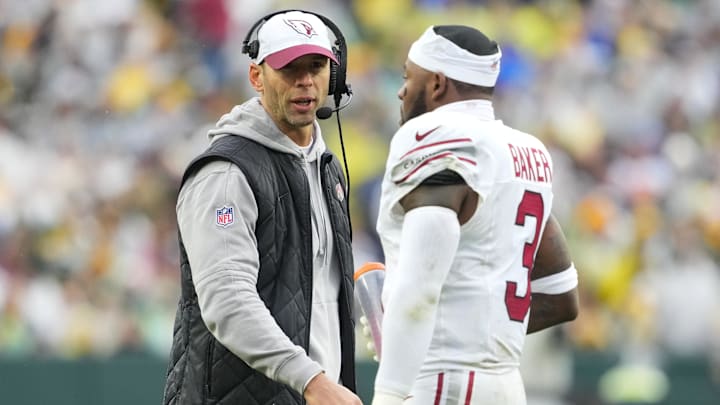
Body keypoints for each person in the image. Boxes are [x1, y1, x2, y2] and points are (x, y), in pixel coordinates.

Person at [370, 25, 579, 405]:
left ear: (436, 83)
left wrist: (389, 393)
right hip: (508, 386)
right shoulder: (527, 152)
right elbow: (561, 296)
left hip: (440, 383)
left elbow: (419, 288)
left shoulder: (434, 135)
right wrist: (481, 334)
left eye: (407, 77)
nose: (401, 90)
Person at [162, 10, 361, 405]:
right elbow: (228, 301)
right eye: (289, 68)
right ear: (257, 77)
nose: (305, 80)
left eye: (317, 66)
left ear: (333, 77)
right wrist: (313, 381)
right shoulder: (225, 173)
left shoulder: (327, 170)